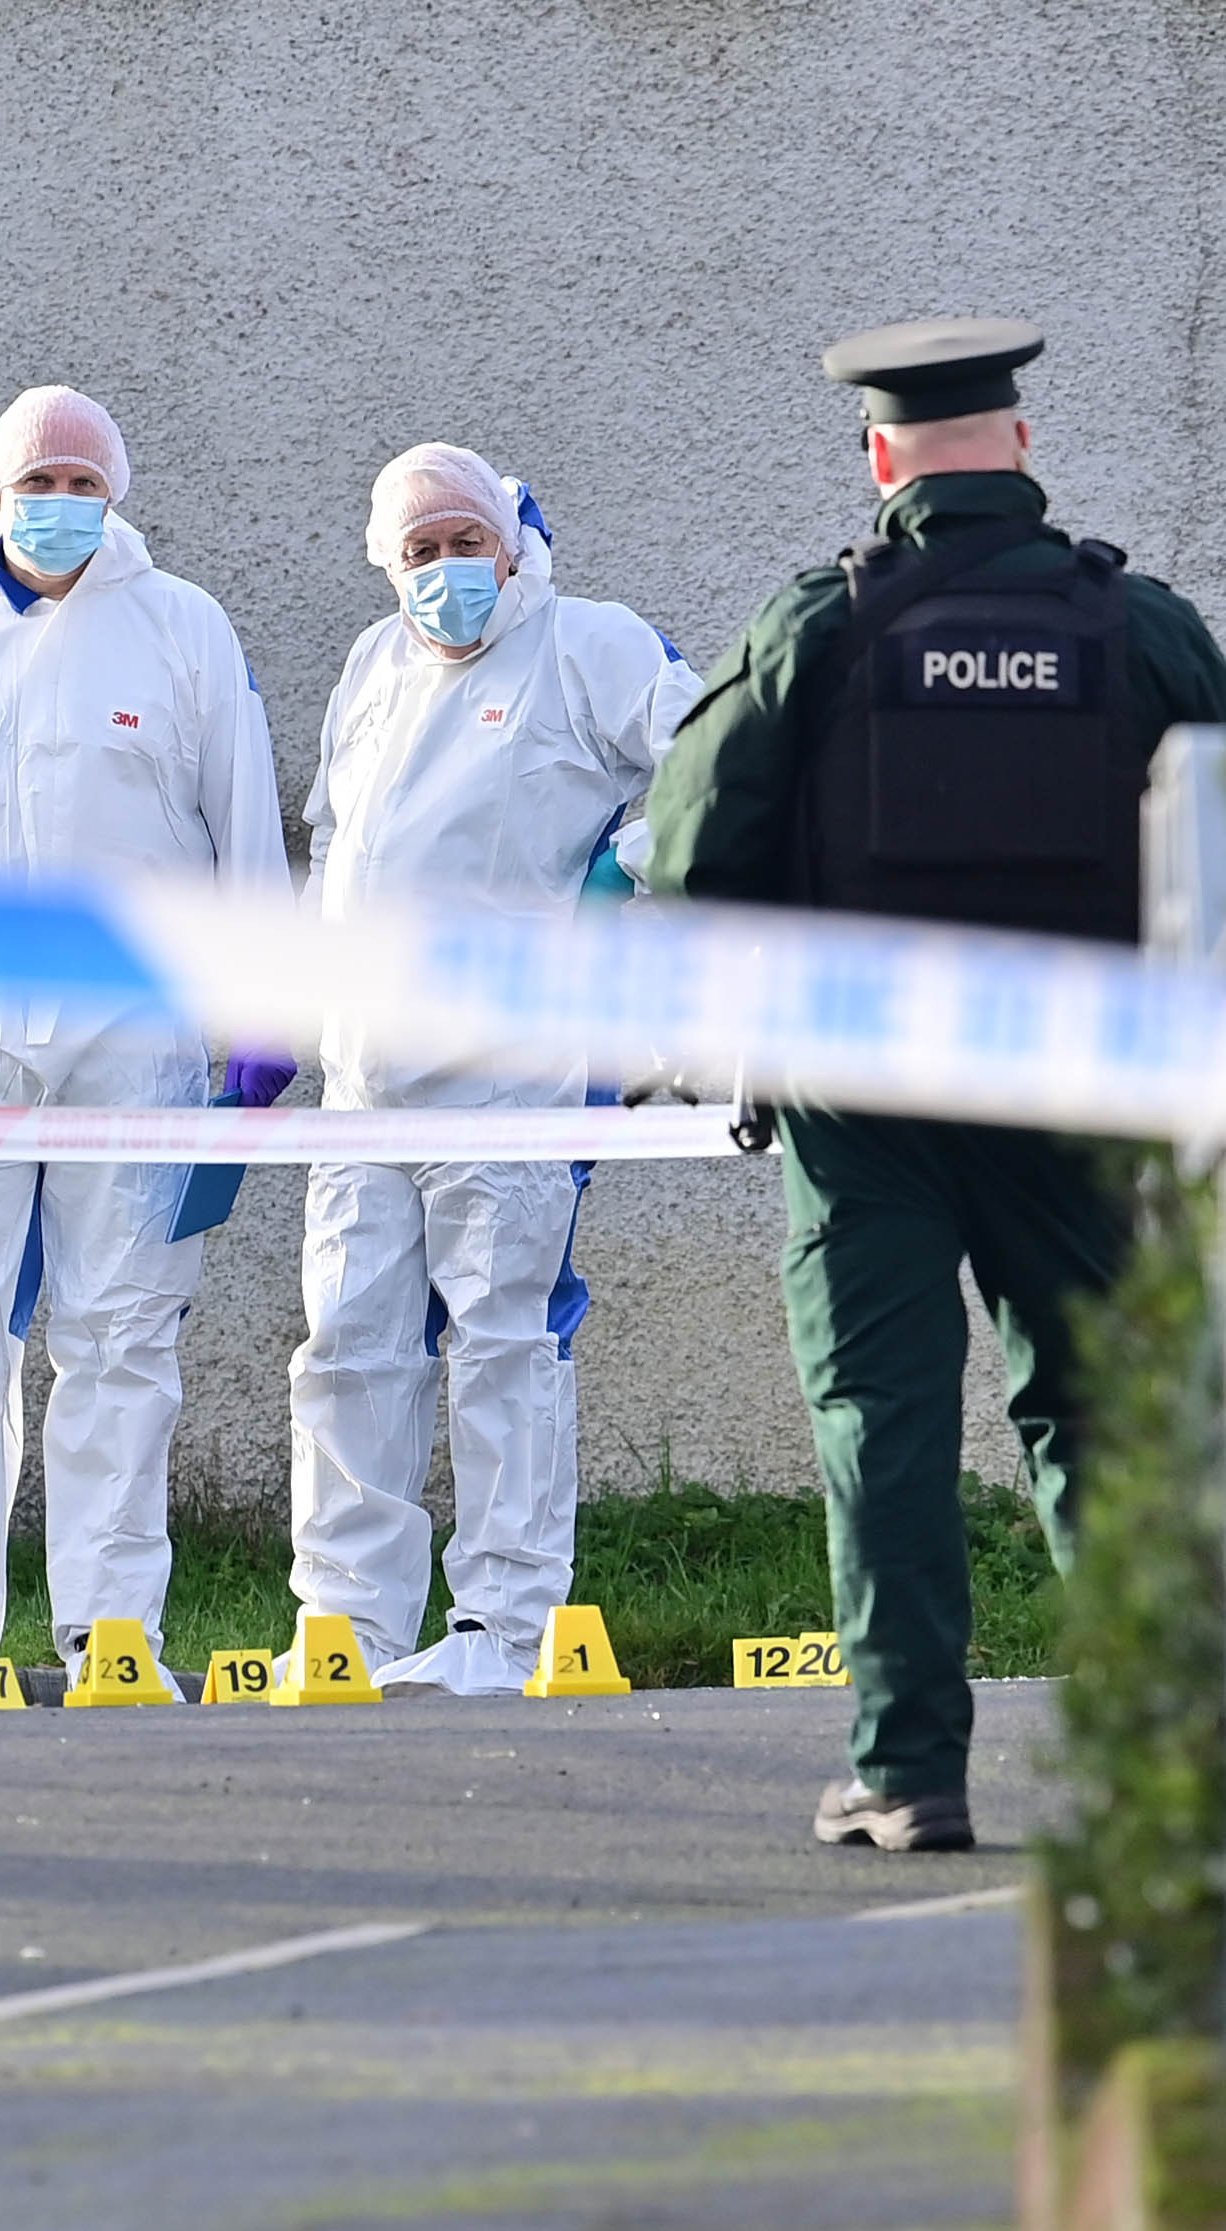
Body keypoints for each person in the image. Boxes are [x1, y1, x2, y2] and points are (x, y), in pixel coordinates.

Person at [643, 318, 1226, 1852]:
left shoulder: (819, 627)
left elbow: (690, 862)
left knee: (886, 1424)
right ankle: (1151, 1762)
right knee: (1103, 1415)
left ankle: (907, 1764)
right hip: (1085, 1089)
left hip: (868, 1102)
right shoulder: (1141, 626)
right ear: (1022, 447)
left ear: (877, 459)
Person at [0, 385, 284, 1680]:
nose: (61, 506)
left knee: (122, 1335)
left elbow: (245, 826)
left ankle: (110, 1627)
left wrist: (262, 1012)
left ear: (115, 497)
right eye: (40, 483)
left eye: (84, 485)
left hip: (133, 1031)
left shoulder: (181, 631)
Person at [289, 444, 701, 1693]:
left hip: (512, 1075)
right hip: (363, 1085)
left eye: (465, 543)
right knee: (348, 1353)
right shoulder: (372, 667)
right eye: (417, 554)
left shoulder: (587, 645)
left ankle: (504, 1628)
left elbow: (711, 754)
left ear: (513, 543)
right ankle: (347, 1627)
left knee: (503, 1347)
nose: (444, 572)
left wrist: (628, 863)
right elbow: (332, 842)